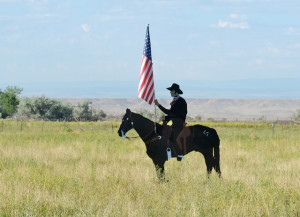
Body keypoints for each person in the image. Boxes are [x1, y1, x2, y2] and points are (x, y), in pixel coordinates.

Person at [154, 83, 187, 160]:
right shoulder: (176, 100)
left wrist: (158, 105)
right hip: (175, 120)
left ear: (175, 92)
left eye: (171, 91)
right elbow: (172, 113)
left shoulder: (180, 101)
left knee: (172, 134)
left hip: (178, 121)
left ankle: (179, 152)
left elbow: (170, 112)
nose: (170, 92)